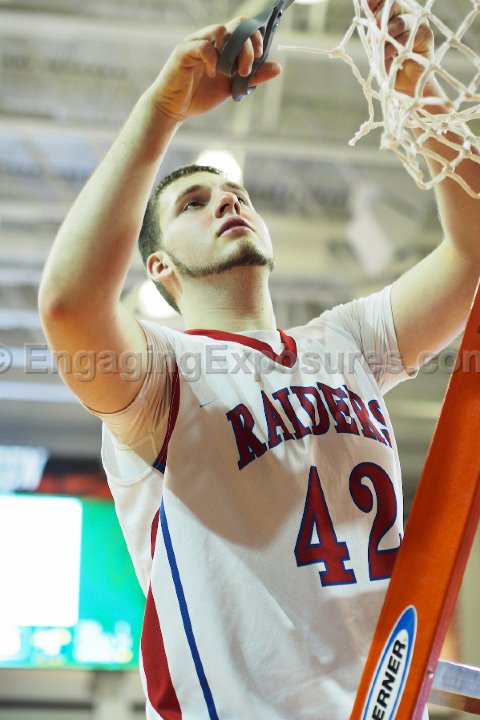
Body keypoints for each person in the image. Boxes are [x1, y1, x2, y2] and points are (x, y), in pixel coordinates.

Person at [39, 1, 479, 718]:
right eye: (193, 203)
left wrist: (418, 88)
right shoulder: (163, 377)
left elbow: (472, 255)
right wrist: (162, 111)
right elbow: (67, 303)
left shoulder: (345, 343)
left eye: (236, 194)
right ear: (159, 268)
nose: (226, 203)